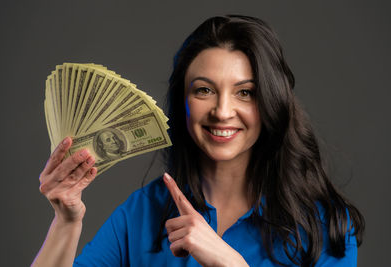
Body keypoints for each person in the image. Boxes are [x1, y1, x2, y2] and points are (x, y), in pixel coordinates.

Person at [32, 15, 365, 267]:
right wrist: (66, 221)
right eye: (204, 90)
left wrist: (230, 263)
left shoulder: (325, 225)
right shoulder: (141, 214)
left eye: (245, 93)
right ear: (183, 103)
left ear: (271, 103)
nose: (222, 111)